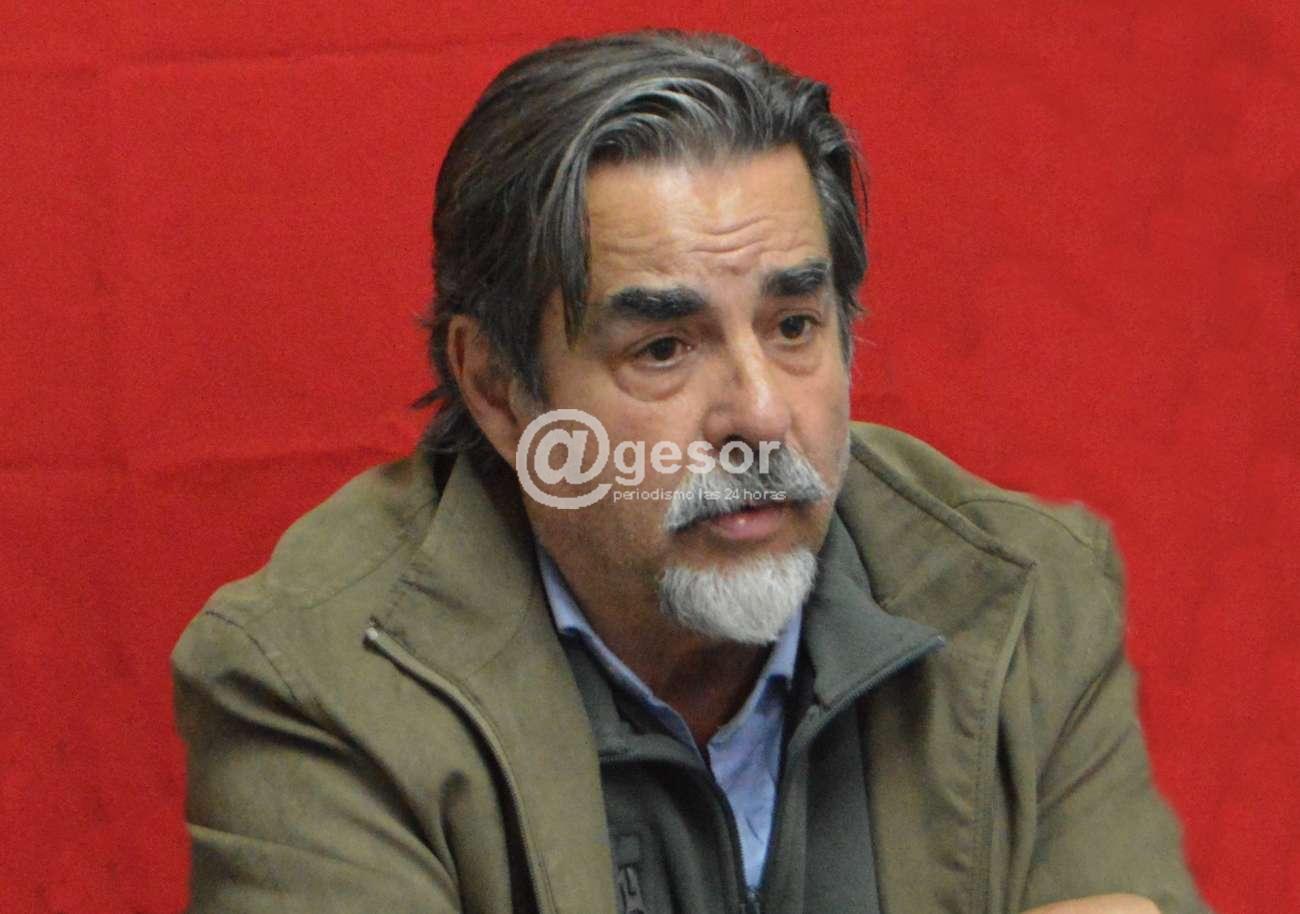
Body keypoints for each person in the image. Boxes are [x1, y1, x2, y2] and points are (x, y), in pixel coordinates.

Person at [171, 30, 1213, 914]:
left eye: (794, 326)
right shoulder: (313, 682)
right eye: (663, 348)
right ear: (499, 388)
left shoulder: (1025, 596)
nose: (760, 415)